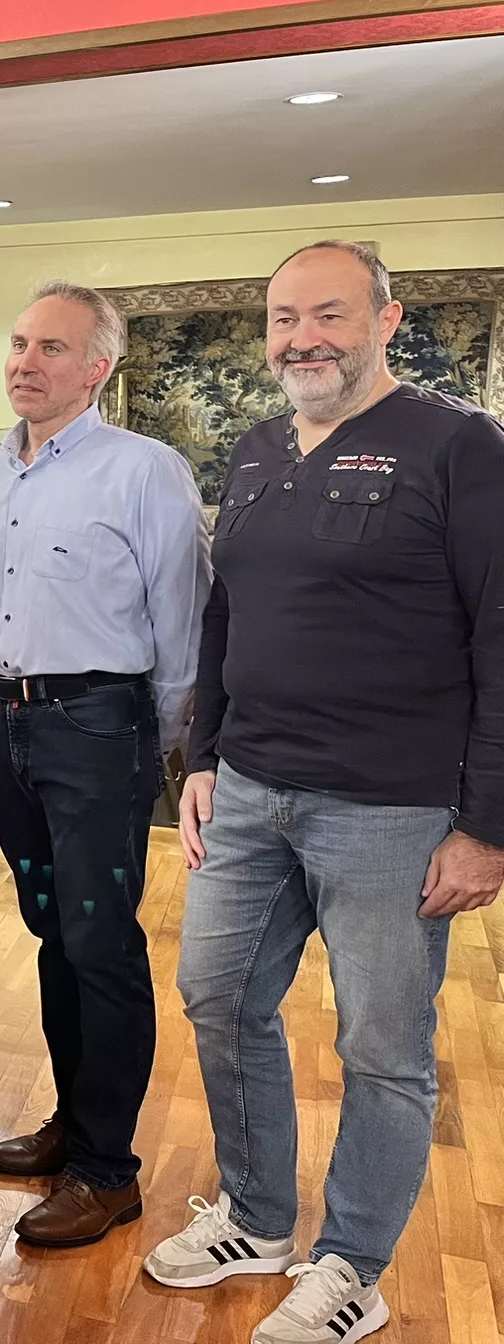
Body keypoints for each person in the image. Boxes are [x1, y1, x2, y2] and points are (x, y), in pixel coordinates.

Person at [146, 242, 504, 1344]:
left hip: (391, 812)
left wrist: (485, 829)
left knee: (380, 1049)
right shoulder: (255, 452)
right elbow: (222, 616)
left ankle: (352, 1261)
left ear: (386, 320)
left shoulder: (457, 446)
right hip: (249, 788)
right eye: (281, 319)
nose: (300, 338)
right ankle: (255, 1220)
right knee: (215, 997)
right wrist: (200, 760)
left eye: (327, 315)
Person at [0, 280, 209, 1246]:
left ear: (98, 368)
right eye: (20, 344)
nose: (26, 361)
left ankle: (110, 1170)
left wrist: (166, 743)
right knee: (50, 928)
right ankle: (75, 1121)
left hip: (98, 726)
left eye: (52, 349)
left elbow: (182, 616)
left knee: (101, 943)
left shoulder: (143, 471)